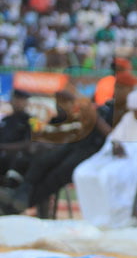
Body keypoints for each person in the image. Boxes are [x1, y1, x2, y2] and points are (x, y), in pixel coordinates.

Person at [0, 89, 115, 217]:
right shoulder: (54, 119)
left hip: (90, 155)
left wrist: (95, 117)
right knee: (40, 162)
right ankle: (20, 194)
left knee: (54, 175)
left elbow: (113, 137)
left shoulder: (87, 117)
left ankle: (17, 205)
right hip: (70, 148)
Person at [73, 88, 137, 229]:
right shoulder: (129, 118)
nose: (134, 113)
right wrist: (115, 145)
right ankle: (94, 218)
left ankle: (119, 219)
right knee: (82, 172)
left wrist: (126, 148)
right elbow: (114, 138)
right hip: (120, 157)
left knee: (107, 175)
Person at [0, 89, 33, 185]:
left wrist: (4, 147)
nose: (18, 103)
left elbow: (29, 143)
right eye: (16, 99)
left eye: (22, 100)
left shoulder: (32, 120)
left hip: (17, 156)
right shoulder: (5, 120)